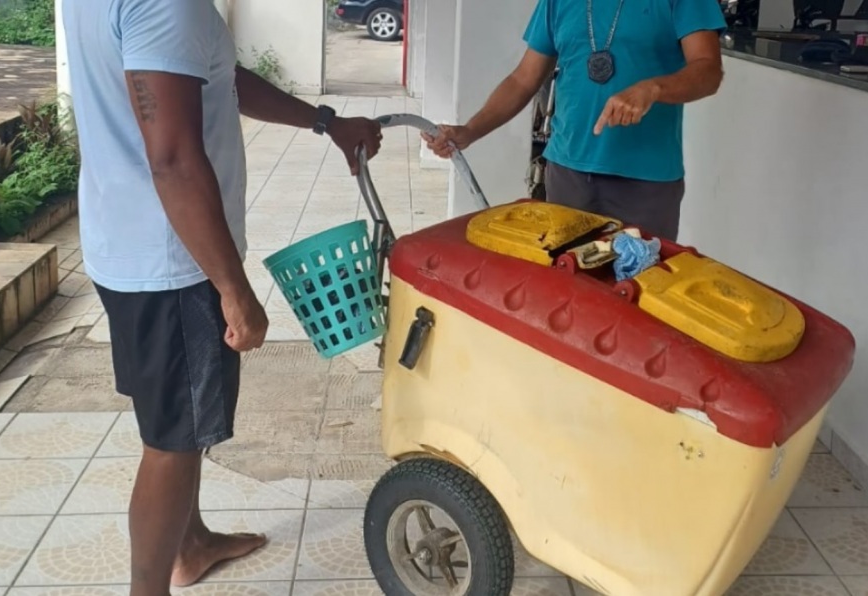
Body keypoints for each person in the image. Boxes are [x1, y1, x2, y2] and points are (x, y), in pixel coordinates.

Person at [62, 1, 382, 595]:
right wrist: (233, 289)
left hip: (124, 241)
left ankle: (191, 543)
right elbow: (173, 160)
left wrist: (325, 121)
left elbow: (219, 77)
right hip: (174, 264)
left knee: (178, 420)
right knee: (173, 443)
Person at [424, 0, 726, 241]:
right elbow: (523, 80)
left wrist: (653, 88)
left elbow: (709, 70)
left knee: (639, 288)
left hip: (646, 182)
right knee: (565, 286)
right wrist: (471, 130)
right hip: (567, 175)